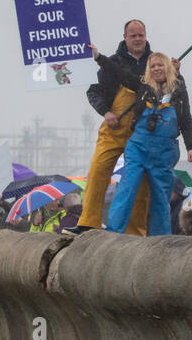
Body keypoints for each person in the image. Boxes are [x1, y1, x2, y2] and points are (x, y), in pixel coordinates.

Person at [68, 19, 164, 234]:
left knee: (140, 183)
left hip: (142, 132)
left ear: (146, 36)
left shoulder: (156, 63)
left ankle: (135, 230)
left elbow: (172, 86)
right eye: (133, 36)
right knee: (97, 170)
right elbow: (93, 92)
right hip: (112, 129)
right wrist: (106, 111)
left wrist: (175, 70)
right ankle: (88, 222)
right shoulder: (112, 62)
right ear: (125, 37)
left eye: (141, 35)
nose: (138, 39)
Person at [103, 52, 192, 236]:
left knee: (161, 198)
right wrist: (99, 57)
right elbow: (118, 73)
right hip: (139, 146)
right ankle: (113, 232)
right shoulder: (143, 86)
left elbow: (186, 119)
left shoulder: (178, 90)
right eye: (152, 66)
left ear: (168, 68)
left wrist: (191, 147)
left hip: (164, 151)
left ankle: (160, 239)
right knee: (127, 188)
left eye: (160, 65)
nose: (156, 69)